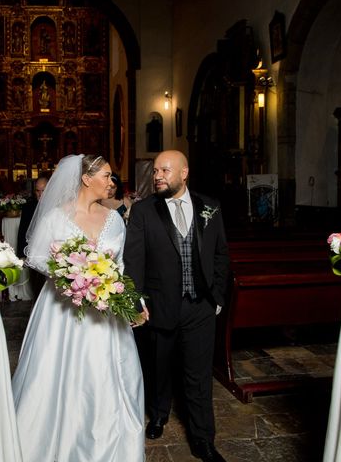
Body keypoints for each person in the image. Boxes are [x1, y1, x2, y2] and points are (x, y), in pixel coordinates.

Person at [12, 154, 148, 461]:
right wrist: (70, 275)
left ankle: (109, 445)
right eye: (106, 176)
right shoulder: (56, 217)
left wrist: (133, 299)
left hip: (105, 310)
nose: (112, 182)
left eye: (112, 177)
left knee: (106, 377)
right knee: (58, 377)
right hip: (63, 311)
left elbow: (121, 264)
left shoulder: (114, 219)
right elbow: (33, 256)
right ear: (86, 179)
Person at [124, 149, 230, 462]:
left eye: (164, 171)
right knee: (159, 366)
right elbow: (134, 259)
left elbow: (221, 255)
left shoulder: (209, 207)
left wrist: (218, 297)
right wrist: (137, 299)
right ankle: (158, 415)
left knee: (198, 376)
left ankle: (203, 439)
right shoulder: (144, 211)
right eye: (155, 171)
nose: (157, 176)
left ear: (184, 173)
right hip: (160, 305)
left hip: (200, 306)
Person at [16, 176, 48, 258]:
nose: (40, 194)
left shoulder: (57, 207)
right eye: (37, 191)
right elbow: (22, 233)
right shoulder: (27, 207)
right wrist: (22, 256)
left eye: (43, 190)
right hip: (32, 253)